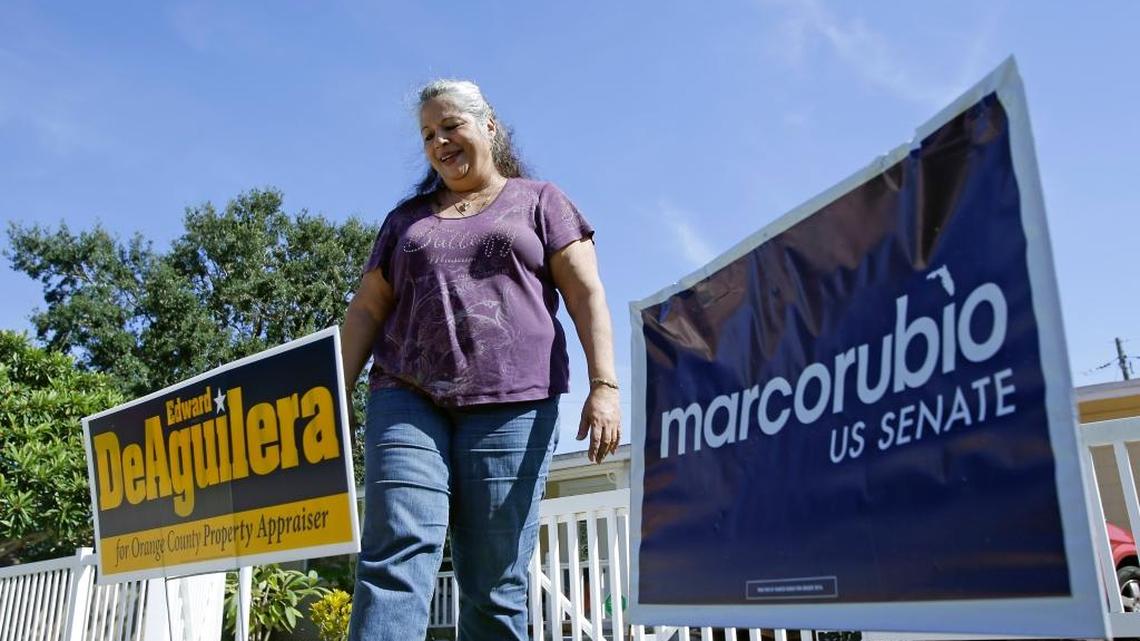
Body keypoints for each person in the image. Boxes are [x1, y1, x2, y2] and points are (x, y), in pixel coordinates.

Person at [340, 79, 621, 641]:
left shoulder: (541, 201)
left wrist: (604, 384)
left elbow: (586, 292)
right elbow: (369, 310)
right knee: (393, 556)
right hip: (406, 394)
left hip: (513, 401)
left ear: (488, 126)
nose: (439, 140)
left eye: (450, 126)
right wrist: (326, 398)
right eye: (427, 134)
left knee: (494, 584)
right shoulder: (405, 222)